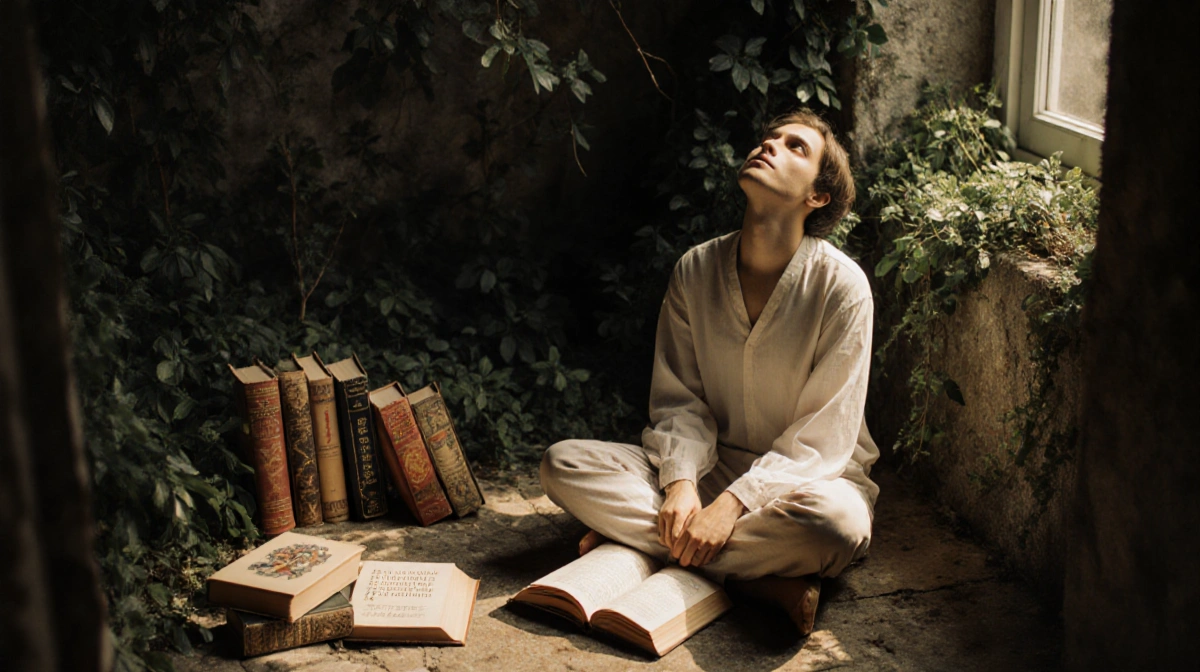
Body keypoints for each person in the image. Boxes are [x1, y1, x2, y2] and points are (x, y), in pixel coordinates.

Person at [540, 108, 879, 635]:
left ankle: (649, 544)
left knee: (837, 525)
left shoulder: (843, 288)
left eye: (795, 146)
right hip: (709, 467)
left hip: (807, 481)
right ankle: (758, 579)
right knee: (562, 463)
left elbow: (822, 439)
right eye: (768, 137)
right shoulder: (695, 269)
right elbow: (679, 401)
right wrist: (680, 485)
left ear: (817, 196)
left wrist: (736, 503)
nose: (769, 145)